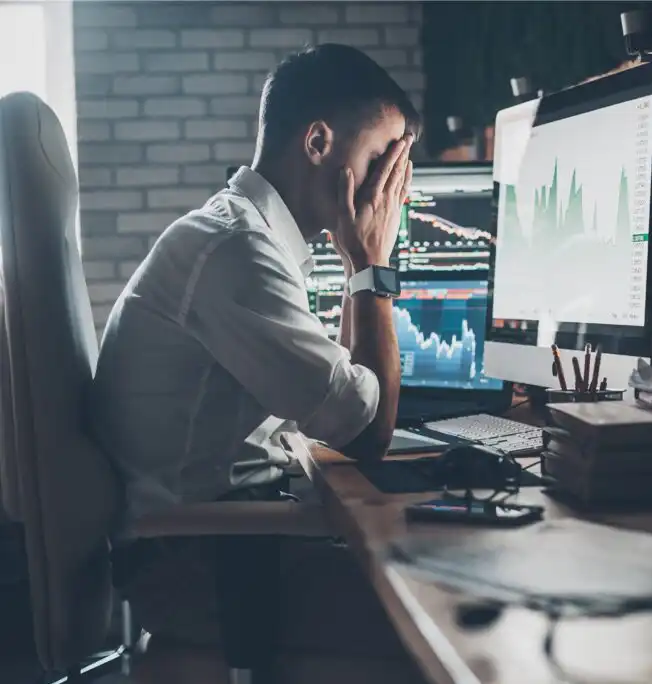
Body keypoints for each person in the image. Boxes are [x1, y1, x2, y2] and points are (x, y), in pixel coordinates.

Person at [90, 44, 423, 680]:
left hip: (225, 541)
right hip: (205, 563)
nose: (390, 186)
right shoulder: (237, 250)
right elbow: (366, 432)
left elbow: (349, 395)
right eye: (382, 158)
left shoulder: (243, 236)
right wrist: (372, 262)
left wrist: (359, 262)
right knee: (446, 620)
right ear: (319, 142)